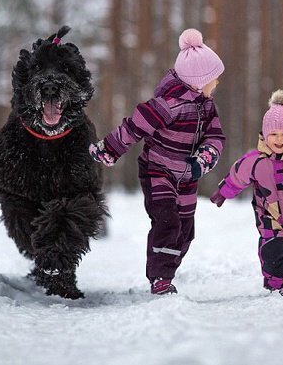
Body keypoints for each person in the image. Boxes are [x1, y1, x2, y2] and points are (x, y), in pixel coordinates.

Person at [89, 28, 225, 295]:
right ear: (198, 82)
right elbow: (134, 127)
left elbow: (216, 137)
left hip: (187, 177)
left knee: (185, 231)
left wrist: (205, 158)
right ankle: (160, 277)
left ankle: (168, 269)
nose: (217, 84)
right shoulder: (167, 105)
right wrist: (110, 149)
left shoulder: (208, 107)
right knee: (167, 222)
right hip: (158, 171)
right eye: (214, 80)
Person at [210, 90, 283, 295]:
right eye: (273, 134)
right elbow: (237, 175)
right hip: (268, 216)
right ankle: (276, 284)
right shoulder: (255, 160)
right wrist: (224, 191)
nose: (279, 140)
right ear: (265, 134)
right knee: (272, 250)